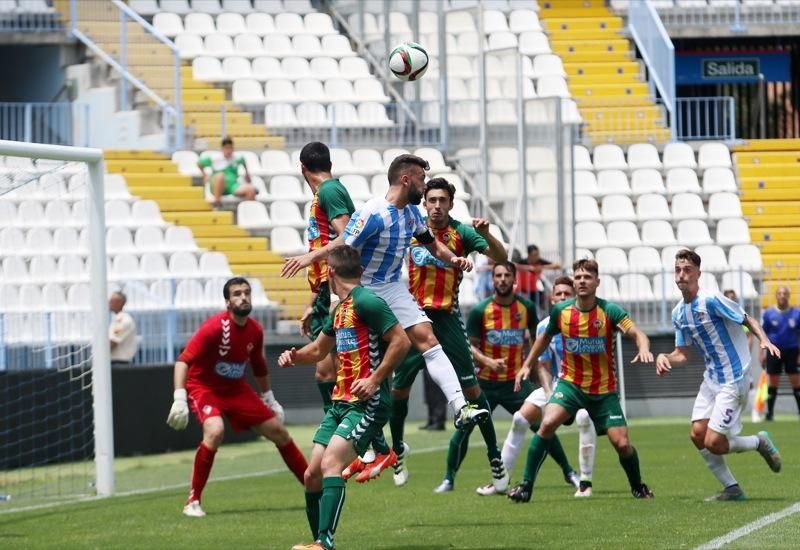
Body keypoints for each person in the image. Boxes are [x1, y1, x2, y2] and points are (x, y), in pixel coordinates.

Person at [281, 154, 490, 435]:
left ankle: (459, 406)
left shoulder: (413, 214)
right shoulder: (373, 212)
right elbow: (343, 242)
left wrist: (453, 259)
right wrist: (310, 259)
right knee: (358, 361)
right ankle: (359, 431)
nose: (424, 185)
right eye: (421, 178)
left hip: (392, 286)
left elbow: (434, 247)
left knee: (427, 338)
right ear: (406, 179)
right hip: (365, 289)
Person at [279, 246, 411, 550]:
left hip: (367, 403)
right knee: (311, 475)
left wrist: (376, 379)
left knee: (331, 462)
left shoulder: (367, 301)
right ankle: (318, 542)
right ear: (360, 271)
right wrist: (293, 356)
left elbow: (401, 341)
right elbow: (318, 351)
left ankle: (325, 543)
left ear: (330, 272)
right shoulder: (340, 310)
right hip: (340, 403)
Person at [384, 177, 509, 491]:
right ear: (423, 202)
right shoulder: (411, 227)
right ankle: (397, 449)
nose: (437, 206)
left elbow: (501, 257)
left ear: (451, 204)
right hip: (413, 317)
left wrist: (487, 234)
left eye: (443, 201)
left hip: (447, 318)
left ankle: (495, 457)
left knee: (472, 393)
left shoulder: (461, 232)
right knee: (399, 390)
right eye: (432, 200)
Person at [507, 258, 655, 503]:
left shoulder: (609, 310)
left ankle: (638, 486)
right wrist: (527, 364)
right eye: (578, 277)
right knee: (547, 425)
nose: (582, 281)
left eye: (587, 277)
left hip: (603, 390)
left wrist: (643, 347)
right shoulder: (561, 312)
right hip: (570, 384)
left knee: (622, 444)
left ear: (597, 282)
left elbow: (636, 332)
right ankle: (526, 487)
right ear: (574, 282)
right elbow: (543, 339)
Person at [165, 277, 308, 517]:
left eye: (247, 292)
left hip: (236, 389)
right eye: (237, 294)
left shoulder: (255, 330)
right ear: (227, 301)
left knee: (279, 432)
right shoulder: (213, 327)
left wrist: (269, 399)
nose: (243, 297)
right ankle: (193, 501)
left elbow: (259, 365)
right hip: (205, 388)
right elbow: (183, 361)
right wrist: (179, 398)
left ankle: (315, 488)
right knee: (215, 431)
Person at [655, 249, 782, 501]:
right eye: (678, 270)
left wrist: (764, 341)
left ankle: (758, 442)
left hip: (734, 379)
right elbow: (682, 353)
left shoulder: (711, 299)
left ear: (698, 274)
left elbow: (747, 319)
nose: (682, 275)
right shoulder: (679, 312)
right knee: (697, 435)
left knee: (714, 442)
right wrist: (664, 357)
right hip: (712, 379)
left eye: (687, 270)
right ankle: (732, 488)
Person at [478, 274, 587, 496]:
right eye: (559, 294)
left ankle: (584, 480)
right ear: (552, 298)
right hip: (557, 384)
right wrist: (549, 393)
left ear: (575, 296)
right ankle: (501, 481)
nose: (563, 297)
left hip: (584, 385)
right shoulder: (544, 326)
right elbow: (544, 365)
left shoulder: (584, 321)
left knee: (585, 420)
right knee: (520, 419)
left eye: (568, 294)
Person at [298, 141, 356, 413]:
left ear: (302, 169)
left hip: (336, 291)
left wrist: (337, 296)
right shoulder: (326, 192)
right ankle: (342, 432)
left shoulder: (329, 191)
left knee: (333, 372)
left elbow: (347, 238)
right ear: (329, 164)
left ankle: (346, 432)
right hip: (325, 290)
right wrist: (313, 302)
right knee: (328, 372)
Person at [760, 286, 800, 420]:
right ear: (776, 296)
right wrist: (761, 353)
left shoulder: (796, 313)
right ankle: (770, 413)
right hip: (773, 351)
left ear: (788, 296)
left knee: (796, 381)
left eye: (785, 293)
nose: (782, 296)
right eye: (779, 293)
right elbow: (762, 334)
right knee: (772, 382)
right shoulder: (769, 314)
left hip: (792, 351)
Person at [198, 136, 257, 206]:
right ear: (222, 148)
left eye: (231, 148)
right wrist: (205, 175)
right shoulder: (214, 158)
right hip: (217, 185)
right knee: (221, 176)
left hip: (232, 186)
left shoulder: (237, 158)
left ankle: (247, 212)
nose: (229, 151)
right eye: (227, 148)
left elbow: (243, 162)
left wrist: (247, 174)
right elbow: (199, 164)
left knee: (251, 190)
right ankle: (217, 204)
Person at [109, 291, 137, 365]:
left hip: (120, 364)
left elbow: (113, 342)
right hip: (115, 362)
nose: (109, 302)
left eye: (112, 301)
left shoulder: (123, 320)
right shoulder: (117, 319)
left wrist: (99, 355)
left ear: (120, 303)